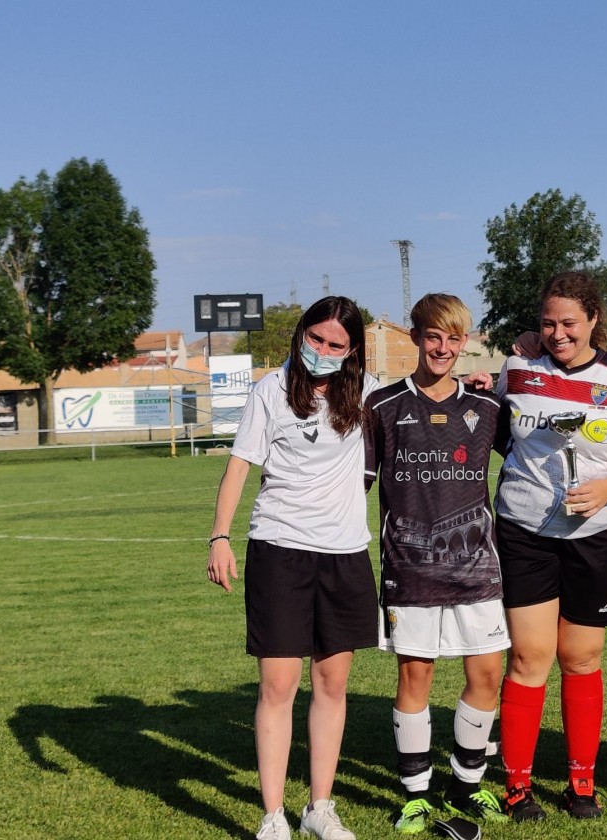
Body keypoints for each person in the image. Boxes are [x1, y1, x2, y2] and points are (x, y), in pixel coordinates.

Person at [207, 296, 379, 840]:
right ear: (300, 334)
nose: (322, 352)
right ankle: (274, 816)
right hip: (278, 549)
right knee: (278, 685)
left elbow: (427, 390)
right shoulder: (270, 390)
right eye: (315, 339)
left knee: (332, 682)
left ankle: (319, 809)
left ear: (352, 351)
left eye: (335, 345)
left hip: (346, 552)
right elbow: (239, 465)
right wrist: (219, 537)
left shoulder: (368, 392)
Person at [495, 271, 607, 821]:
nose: (557, 333)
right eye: (547, 322)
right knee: (529, 656)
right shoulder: (517, 367)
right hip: (524, 532)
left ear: (593, 321)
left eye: (569, 322)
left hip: (597, 536)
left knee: (582, 657)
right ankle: (517, 786)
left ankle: (581, 784)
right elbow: (499, 436)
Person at [363, 293, 509, 834]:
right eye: (433, 337)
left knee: (486, 672)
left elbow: (531, 457)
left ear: (465, 342)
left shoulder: (490, 408)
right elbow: (357, 484)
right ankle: (416, 795)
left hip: (476, 567)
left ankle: (466, 785)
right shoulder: (381, 407)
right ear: (416, 338)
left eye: (454, 338)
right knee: (415, 674)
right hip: (411, 568)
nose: (443, 348)